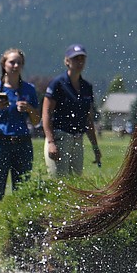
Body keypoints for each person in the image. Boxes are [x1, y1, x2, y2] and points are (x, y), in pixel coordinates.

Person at [0, 48, 40, 238]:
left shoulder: (28, 90)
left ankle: (19, 231)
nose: (15, 66)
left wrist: (29, 108)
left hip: (22, 143)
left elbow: (37, 120)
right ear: (3, 65)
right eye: (11, 62)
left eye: (18, 63)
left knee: (22, 190)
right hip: (0, 143)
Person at [42, 43, 101, 177]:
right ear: (67, 61)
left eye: (82, 59)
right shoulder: (57, 84)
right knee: (60, 182)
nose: (79, 62)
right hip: (60, 138)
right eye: (76, 58)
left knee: (75, 184)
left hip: (78, 140)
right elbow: (46, 113)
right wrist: (51, 142)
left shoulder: (86, 87)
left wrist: (95, 147)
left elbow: (88, 119)